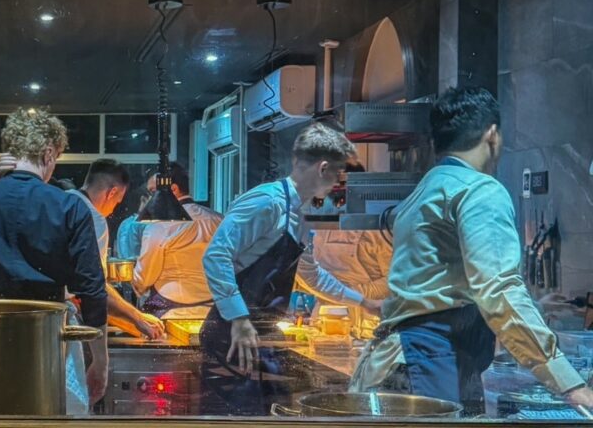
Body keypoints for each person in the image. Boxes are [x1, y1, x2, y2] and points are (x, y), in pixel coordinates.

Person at [350, 87, 593, 414]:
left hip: (398, 364)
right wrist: (571, 385)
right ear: (492, 134)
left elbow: (445, 288)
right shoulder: (479, 190)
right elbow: (498, 290)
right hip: (428, 364)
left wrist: (535, 307)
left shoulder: (427, 188)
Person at [200, 122, 381, 416]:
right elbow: (216, 256)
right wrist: (239, 319)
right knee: (238, 419)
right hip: (231, 336)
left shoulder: (301, 215)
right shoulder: (267, 202)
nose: (339, 185)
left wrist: (364, 302)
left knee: (273, 412)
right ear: (323, 169)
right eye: (339, 175)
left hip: (262, 334)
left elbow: (311, 274)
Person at [0, 108, 108, 414]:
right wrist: (101, 361)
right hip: (46, 334)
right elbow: (92, 290)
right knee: (45, 414)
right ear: (48, 153)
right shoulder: (69, 207)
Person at [66, 160, 165, 340]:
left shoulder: (64, 200)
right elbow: (95, 287)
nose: (112, 211)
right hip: (67, 318)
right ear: (111, 193)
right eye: (117, 202)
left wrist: (135, 318)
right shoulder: (93, 218)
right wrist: (137, 318)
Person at [309, 161, 391, 335]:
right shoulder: (323, 224)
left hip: (366, 323)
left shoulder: (377, 227)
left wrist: (349, 295)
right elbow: (313, 271)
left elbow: (393, 280)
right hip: (323, 321)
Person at [132, 162, 223, 317]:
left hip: (170, 311)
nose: (149, 199)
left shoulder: (159, 226)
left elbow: (144, 278)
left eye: (153, 192)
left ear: (173, 189)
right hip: (215, 310)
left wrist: (134, 283)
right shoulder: (219, 220)